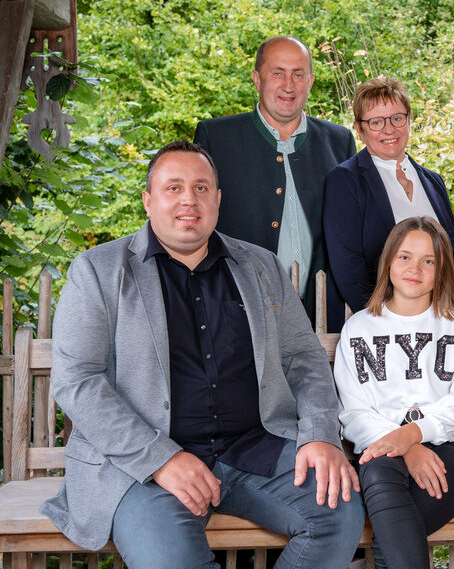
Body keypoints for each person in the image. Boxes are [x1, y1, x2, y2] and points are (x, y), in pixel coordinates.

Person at [41, 141, 365, 569]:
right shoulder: (98, 271)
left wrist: (321, 434)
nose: (188, 200)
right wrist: (162, 459)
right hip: (145, 465)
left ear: (217, 199)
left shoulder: (261, 266)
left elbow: (303, 359)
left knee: (339, 513)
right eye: (173, 187)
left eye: (200, 188)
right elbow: (78, 381)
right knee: (170, 561)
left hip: (257, 448)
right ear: (148, 199)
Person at [334, 216, 454, 569]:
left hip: (452, 452)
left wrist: (414, 435)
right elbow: (353, 412)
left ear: (442, 271)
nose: (415, 269)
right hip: (382, 451)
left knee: (390, 530)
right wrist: (406, 447)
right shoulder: (359, 328)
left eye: (429, 261)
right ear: (389, 260)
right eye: (405, 257)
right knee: (379, 474)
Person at [194, 36, 356, 328]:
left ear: (310, 81)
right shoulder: (216, 138)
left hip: (320, 319)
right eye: (277, 73)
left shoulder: (339, 141)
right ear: (257, 79)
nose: (288, 85)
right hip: (236, 314)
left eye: (298, 74)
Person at [324, 77, 454, 320]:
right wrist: (382, 320)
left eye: (397, 118)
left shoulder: (434, 182)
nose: (389, 129)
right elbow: (347, 265)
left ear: (408, 120)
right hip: (380, 322)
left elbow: (449, 258)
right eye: (376, 122)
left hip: (437, 319)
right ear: (360, 129)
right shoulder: (345, 180)